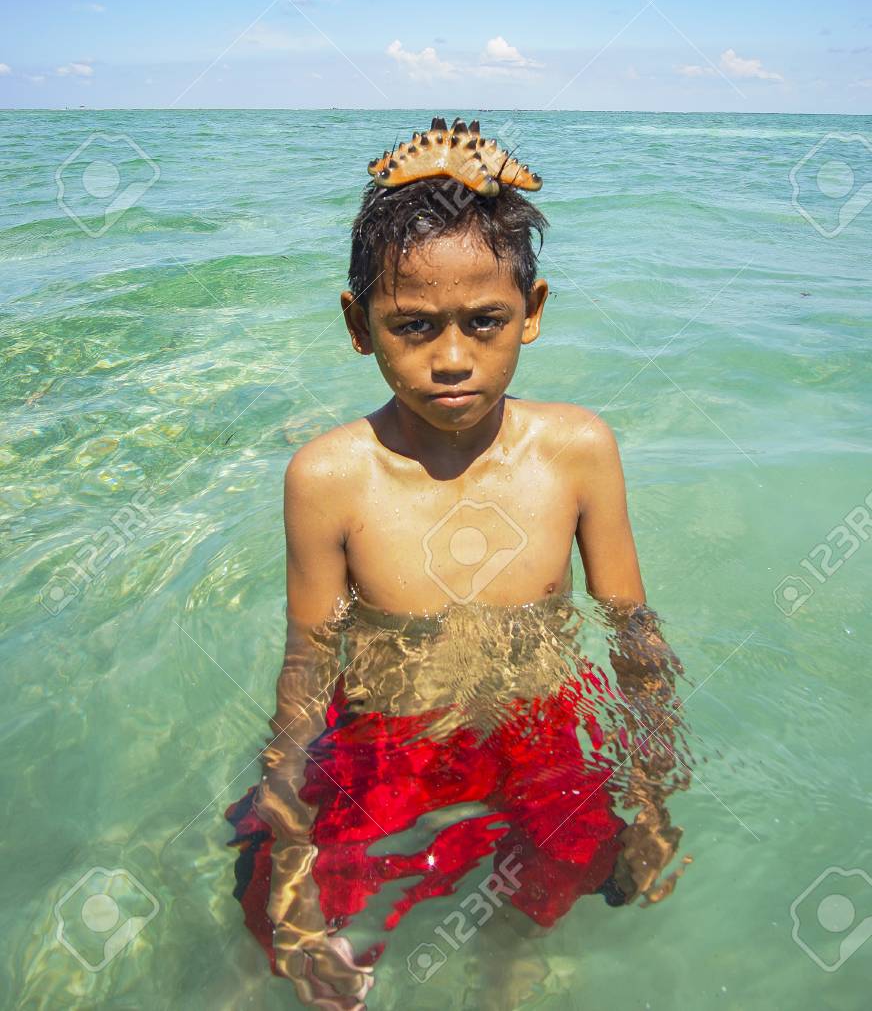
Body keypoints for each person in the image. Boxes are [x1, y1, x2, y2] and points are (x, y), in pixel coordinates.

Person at [226, 118, 690, 1010]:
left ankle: (505, 975)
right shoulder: (329, 477)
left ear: (535, 312)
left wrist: (651, 797)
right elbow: (309, 660)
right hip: (391, 741)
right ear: (358, 326)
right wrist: (288, 830)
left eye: (485, 323)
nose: (450, 359)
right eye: (413, 326)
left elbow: (635, 635)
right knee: (287, 928)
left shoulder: (577, 449)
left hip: (543, 734)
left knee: (553, 889)